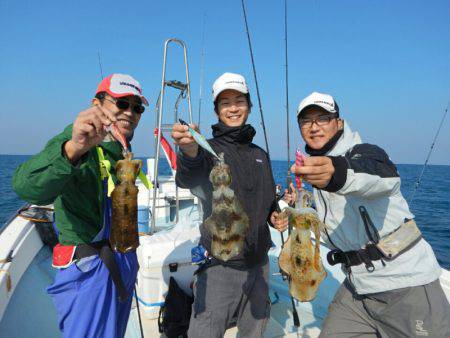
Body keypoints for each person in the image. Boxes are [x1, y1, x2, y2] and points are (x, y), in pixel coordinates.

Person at [282, 91, 450, 337]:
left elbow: (384, 178)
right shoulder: (315, 169)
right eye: (306, 121)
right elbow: (338, 227)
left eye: (323, 118)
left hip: (407, 284)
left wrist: (336, 174)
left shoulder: (364, 154)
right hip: (357, 288)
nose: (314, 127)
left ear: (338, 123)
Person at [12, 73, 149, 338]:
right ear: (96, 105)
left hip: (123, 260)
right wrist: (73, 148)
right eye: (121, 103)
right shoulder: (77, 140)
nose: (130, 112)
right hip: (89, 270)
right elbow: (25, 186)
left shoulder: (121, 148)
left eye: (137, 107)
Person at [171, 72, 286, 337]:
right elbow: (187, 178)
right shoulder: (206, 150)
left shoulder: (261, 155)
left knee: (253, 332)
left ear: (248, 105)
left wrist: (275, 216)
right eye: (225, 103)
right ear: (217, 110)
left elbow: (267, 202)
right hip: (220, 266)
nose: (233, 108)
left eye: (239, 101)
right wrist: (189, 152)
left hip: (259, 266)